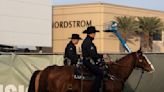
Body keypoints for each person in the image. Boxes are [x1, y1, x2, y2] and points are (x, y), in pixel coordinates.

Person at [81, 26, 103, 92]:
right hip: (88, 62)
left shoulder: (88, 41)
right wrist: (102, 56)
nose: (95, 35)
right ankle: (95, 90)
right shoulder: (88, 42)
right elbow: (93, 55)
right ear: (91, 34)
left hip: (88, 61)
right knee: (100, 73)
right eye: (94, 33)